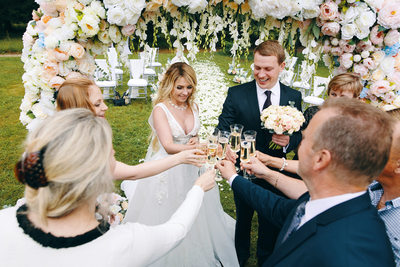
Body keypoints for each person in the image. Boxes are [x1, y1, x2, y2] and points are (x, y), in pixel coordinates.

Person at [0, 108, 216, 266]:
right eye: (109, 147)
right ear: (99, 171)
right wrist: (197, 188)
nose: (114, 152)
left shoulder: (4, 222)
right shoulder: (123, 245)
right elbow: (176, 231)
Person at [217, 98, 396, 266]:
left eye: (305, 139)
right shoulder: (329, 198)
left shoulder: (350, 255)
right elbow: (278, 208)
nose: (299, 146)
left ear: (321, 159)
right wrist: (235, 178)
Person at [122, 62, 239, 267]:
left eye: (189, 87)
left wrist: (195, 140)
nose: (185, 92)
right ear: (170, 85)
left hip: (193, 166)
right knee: (169, 210)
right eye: (180, 87)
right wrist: (199, 147)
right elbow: (168, 146)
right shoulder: (161, 109)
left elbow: (192, 135)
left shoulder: (193, 106)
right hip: (168, 168)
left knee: (197, 209)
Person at [217, 40, 302, 265]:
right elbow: (222, 127)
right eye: (257, 67)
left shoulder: (293, 96)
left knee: (270, 221)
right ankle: (239, 258)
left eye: (268, 69)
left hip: (276, 171)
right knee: (243, 218)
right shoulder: (237, 93)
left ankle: (266, 259)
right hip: (244, 170)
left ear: (282, 66)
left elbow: (299, 135)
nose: (261, 74)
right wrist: (225, 145)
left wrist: (287, 142)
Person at [56, 77, 205, 184]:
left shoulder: (86, 135)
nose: (105, 107)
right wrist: (180, 157)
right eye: (97, 104)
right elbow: (132, 173)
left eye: (103, 101)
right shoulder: (78, 148)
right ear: (79, 109)